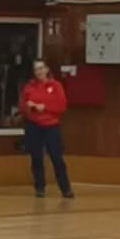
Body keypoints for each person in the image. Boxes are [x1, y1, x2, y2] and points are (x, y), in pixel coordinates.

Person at [20, 58, 73, 198]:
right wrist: (29, 106)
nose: (39, 71)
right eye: (36, 69)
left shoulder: (56, 86)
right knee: (36, 158)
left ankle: (65, 188)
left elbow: (62, 106)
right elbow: (22, 107)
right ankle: (40, 188)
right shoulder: (29, 87)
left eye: (41, 68)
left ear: (47, 69)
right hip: (34, 126)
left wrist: (45, 107)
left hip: (51, 126)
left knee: (57, 158)